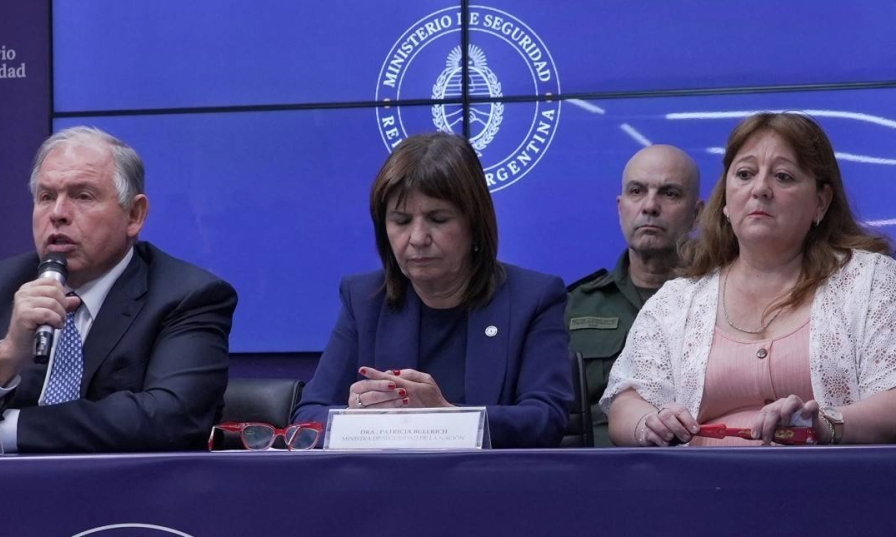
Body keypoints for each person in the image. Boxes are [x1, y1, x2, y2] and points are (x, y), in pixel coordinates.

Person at [0, 126, 237, 452]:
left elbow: (171, 418)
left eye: (82, 196)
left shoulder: (188, 296)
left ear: (134, 215)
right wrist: (6, 355)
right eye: (46, 197)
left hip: (123, 503)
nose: (58, 214)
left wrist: (9, 430)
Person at [602, 112, 896, 447]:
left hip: (832, 489)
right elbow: (626, 401)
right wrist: (647, 424)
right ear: (726, 200)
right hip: (697, 491)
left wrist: (825, 424)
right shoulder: (678, 300)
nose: (760, 189)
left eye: (783, 176)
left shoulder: (870, 281)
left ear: (821, 202)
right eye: (744, 174)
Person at [292, 132, 573, 448]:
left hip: (493, 488)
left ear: (475, 225)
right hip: (386, 490)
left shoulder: (533, 298)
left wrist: (448, 417)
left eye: (438, 219)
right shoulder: (363, 299)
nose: (417, 238)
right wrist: (356, 417)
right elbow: (308, 418)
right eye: (401, 221)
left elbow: (546, 419)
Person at [567, 145, 702, 446]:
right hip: (593, 477)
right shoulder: (573, 307)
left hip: (692, 472)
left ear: (696, 214)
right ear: (620, 206)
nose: (650, 206)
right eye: (637, 191)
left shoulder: (722, 304)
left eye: (669, 193)